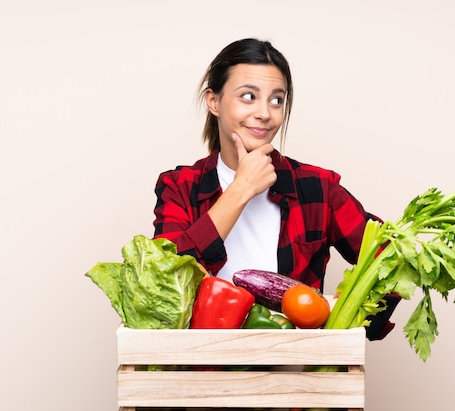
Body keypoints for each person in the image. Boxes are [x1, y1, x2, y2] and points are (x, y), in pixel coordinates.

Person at [153, 38, 398, 340]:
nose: (265, 113)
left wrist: (346, 316)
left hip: (295, 374)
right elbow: (163, 281)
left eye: (276, 100)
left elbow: (393, 256)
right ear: (213, 101)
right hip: (202, 370)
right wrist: (240, 190)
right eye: (248, 96)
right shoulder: (179, 187)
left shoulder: (317, 188)